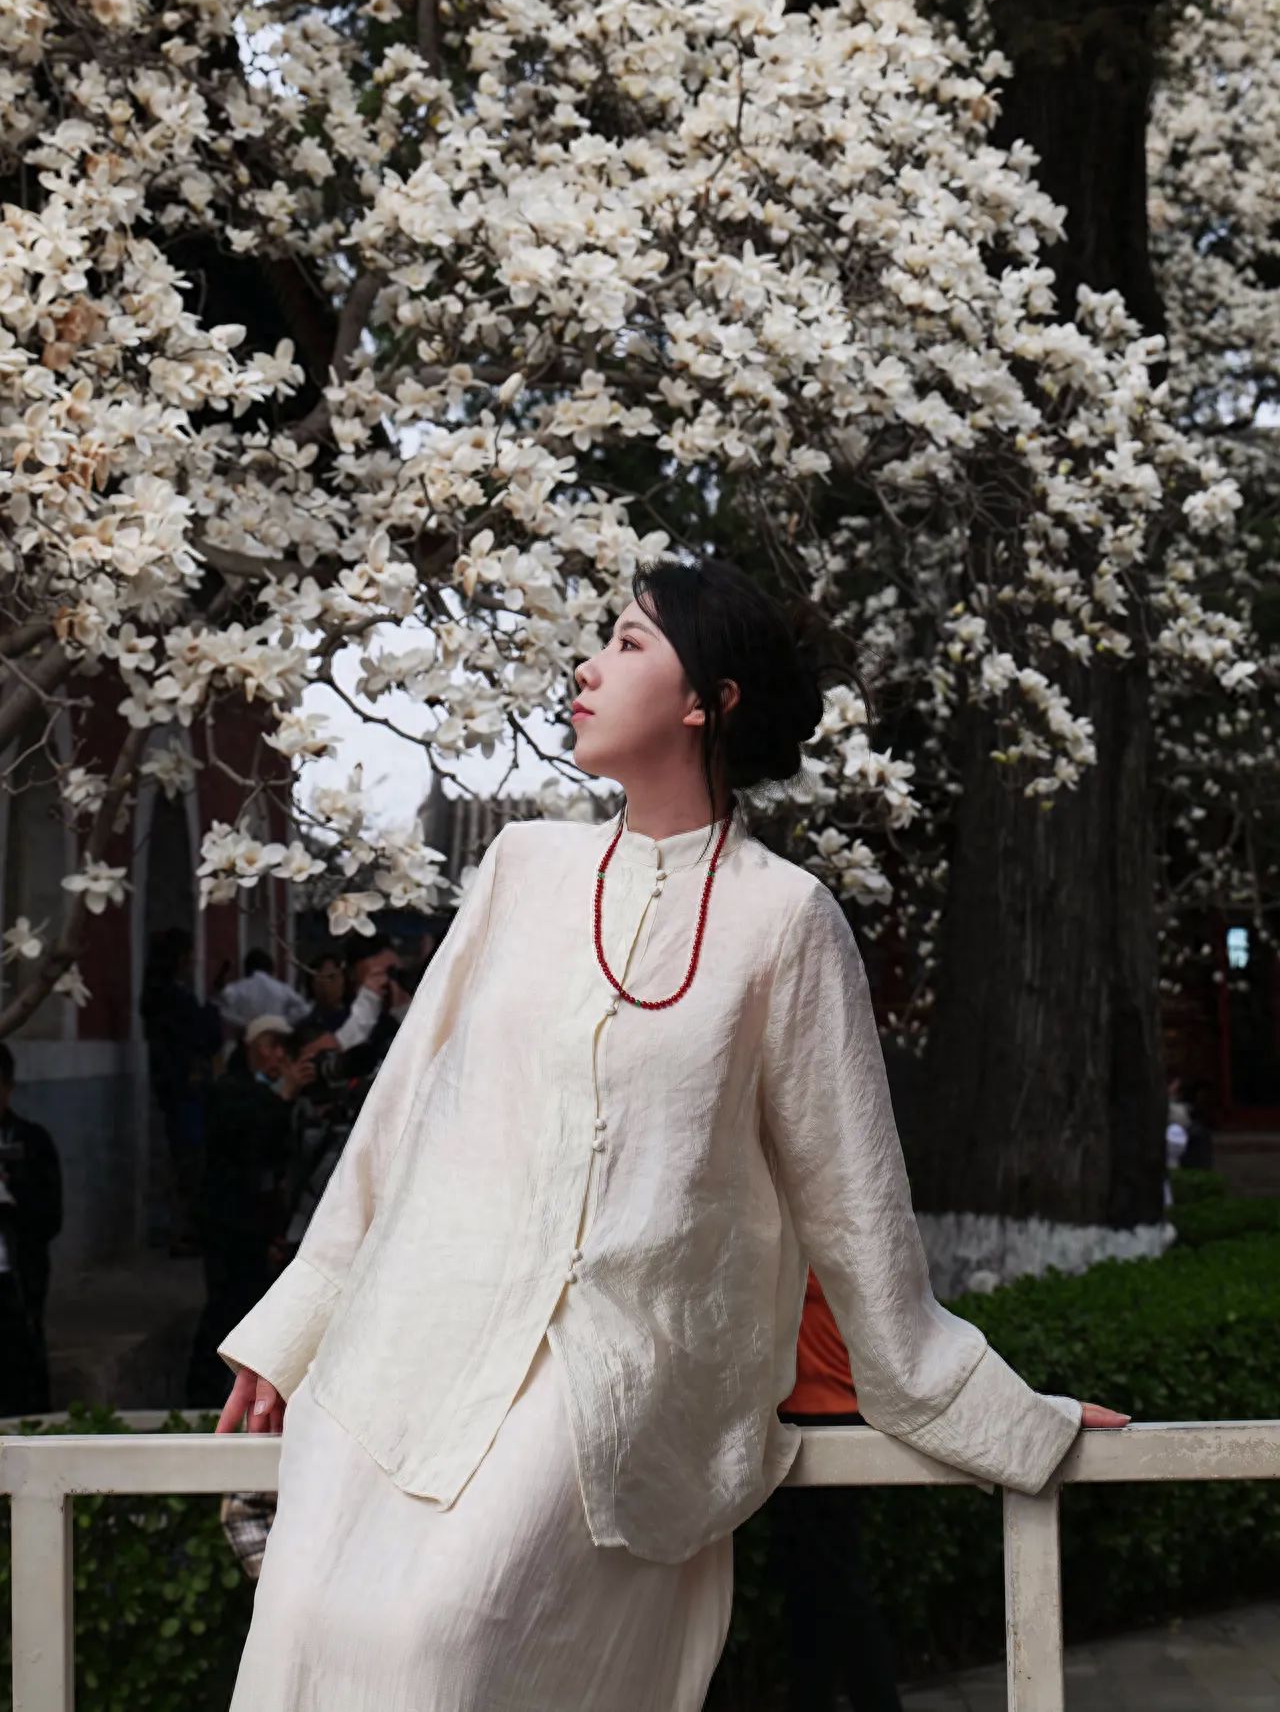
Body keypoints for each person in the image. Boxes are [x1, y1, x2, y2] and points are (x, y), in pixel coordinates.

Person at [214, 555, 1129, 1712]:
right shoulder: (520, 869)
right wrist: (293, 1325)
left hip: (614, 1369)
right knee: (302, 1622)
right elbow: (402, 1119)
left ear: (709, 700)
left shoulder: (784, 920)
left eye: (630, 644)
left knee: (436, 1642)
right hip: (413, 1336)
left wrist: (998, 1408)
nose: (588, 667)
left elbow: (852, 1205)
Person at [769, 1268, 903, 1712]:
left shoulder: (811, 1250)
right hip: (808, 1419)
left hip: (825, 1421)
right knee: (813, 1588)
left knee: (834, 1587)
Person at [185, 1016, 316, 1407]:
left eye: (282, 1048)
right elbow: (247, 1140)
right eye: (269, 1045)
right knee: (225, 1308)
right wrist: (284, 1093)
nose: (276, 1055)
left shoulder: (280, 1094)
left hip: (264, 1221)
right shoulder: (230, 1090)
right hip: (230, 1221)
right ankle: (203, 1394)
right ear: (249, 1047)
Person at [139, 927, 222, 1256]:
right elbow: (204, 1036)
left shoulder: (158, 995)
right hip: (185, 1090)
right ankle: (186, 1231)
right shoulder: (173, 997)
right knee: (190, 1163)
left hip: (177, 1089)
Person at [0, 1043, 62, 1414]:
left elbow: (50, 1216)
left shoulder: (31, 1141)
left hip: (15, 1274)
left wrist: (12, 1198)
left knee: (19, 1363)